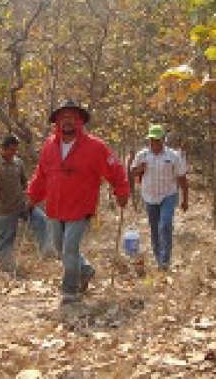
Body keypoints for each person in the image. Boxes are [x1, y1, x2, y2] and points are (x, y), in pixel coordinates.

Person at [27, 99, 130, 304]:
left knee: (69, 249)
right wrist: (32, 196)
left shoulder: (95, 146)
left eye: (72, 117)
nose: (67, 122)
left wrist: (121, 190)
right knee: (59, 248)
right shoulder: (49, 145)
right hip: (55, 207)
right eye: (63, 117)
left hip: (80, 206)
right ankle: (85, 270)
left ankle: (70, 291)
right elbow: (41, 174)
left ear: (80, 121)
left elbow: (115, 169)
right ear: (56, 122)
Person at [0, 135, 48, 274]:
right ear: (3, 149)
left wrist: (30, 197)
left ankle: (47, 253)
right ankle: (7, 269)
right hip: (5, 209)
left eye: (15, 150)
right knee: (7, 238)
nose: (14, 153)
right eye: (11, 150)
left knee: (42, 220)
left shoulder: (18, 162)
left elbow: (24, 183)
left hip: (22, 204)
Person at [130, 124, 188, 271]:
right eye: (151, 140)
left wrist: (185, 199)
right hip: (149, 196)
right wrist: (139, 169)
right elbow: (132, 173)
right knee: (155, 228)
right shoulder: (142, 155)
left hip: (168, 195)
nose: (154, 143)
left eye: (157, 140)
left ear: (163, 140)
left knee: (165, 225)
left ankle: (165, 260)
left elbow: (182, 177)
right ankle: (158, 257)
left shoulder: (173, 156)